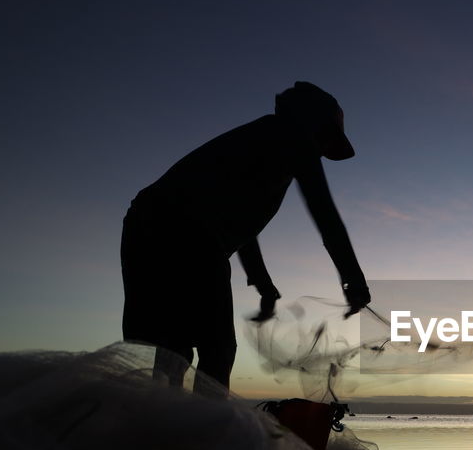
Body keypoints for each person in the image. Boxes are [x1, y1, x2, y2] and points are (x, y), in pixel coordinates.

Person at [121, 81, 370, 394]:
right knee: (217, 348)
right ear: (312, 123)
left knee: (174, 345)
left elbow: (238, 223)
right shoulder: (292, 137)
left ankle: (165, 427)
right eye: (325, 137)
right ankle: (208, 432)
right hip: (183, 230)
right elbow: (326, 216)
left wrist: (263, 283)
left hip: (146, 226)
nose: (322, 149)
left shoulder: (261, 142)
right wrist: (354, 281)